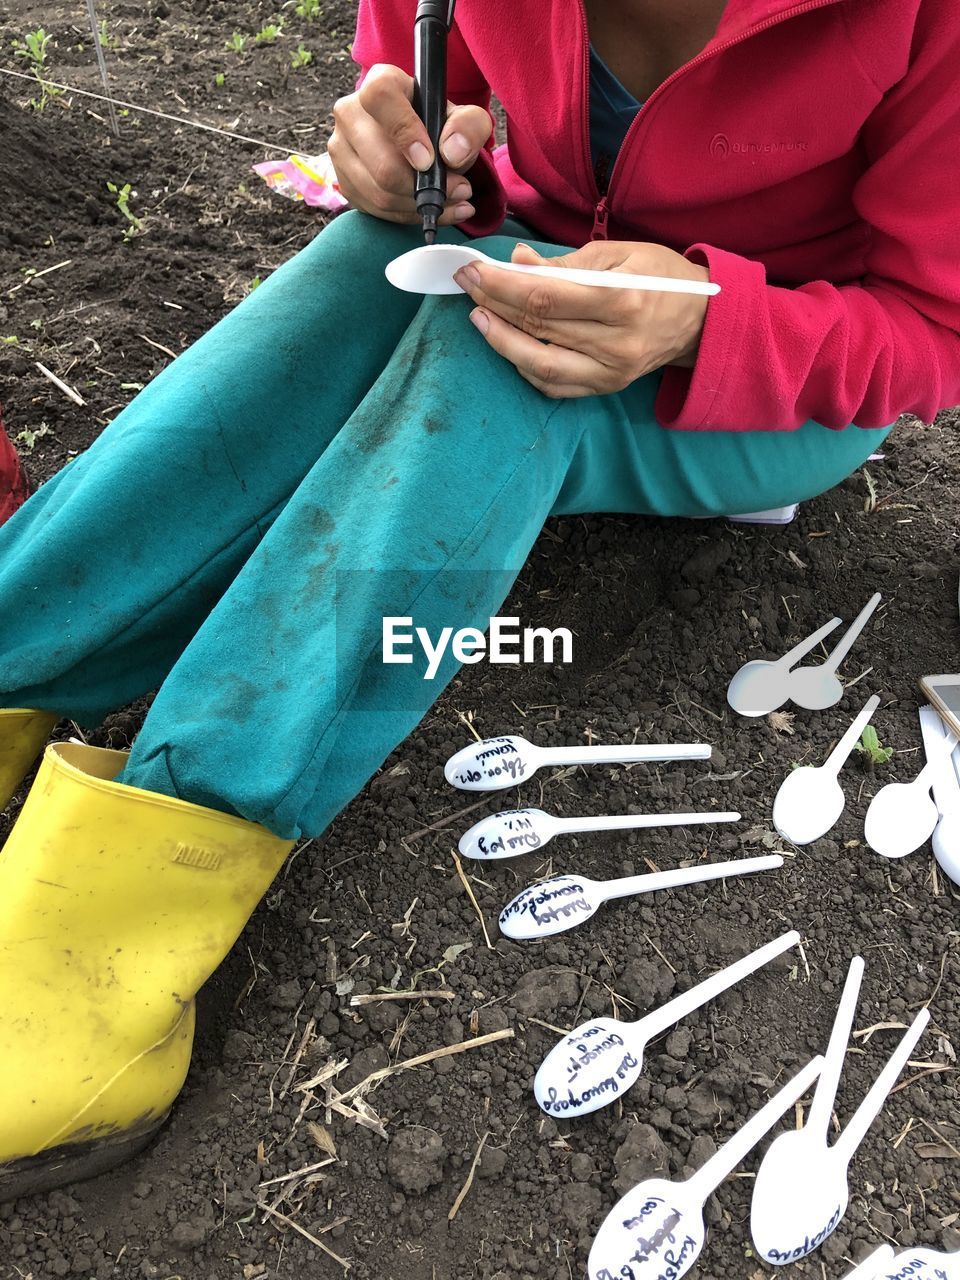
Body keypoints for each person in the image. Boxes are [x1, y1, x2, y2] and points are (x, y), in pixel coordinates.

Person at [1, 0, 958, 1200]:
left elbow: (932, 328)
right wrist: (395, 150)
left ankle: (147, 896)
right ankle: (12, 658)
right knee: (362, 266)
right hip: (531, 276)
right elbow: (416, 93)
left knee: (486, 361)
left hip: (763, 381)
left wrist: (704, 318)